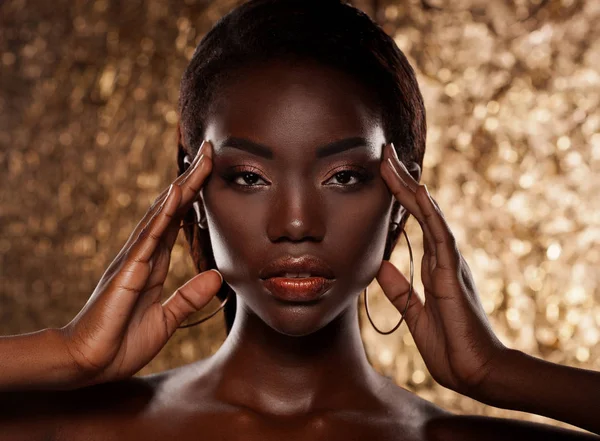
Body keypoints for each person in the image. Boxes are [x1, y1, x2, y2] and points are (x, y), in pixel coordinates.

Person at [1, 0, 599, 439]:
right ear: (193, 189)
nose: (295, 223)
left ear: (403, 196)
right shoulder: (69, 430)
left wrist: (503, 374)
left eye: (343, 177)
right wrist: (66, 354)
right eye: (249, 177)